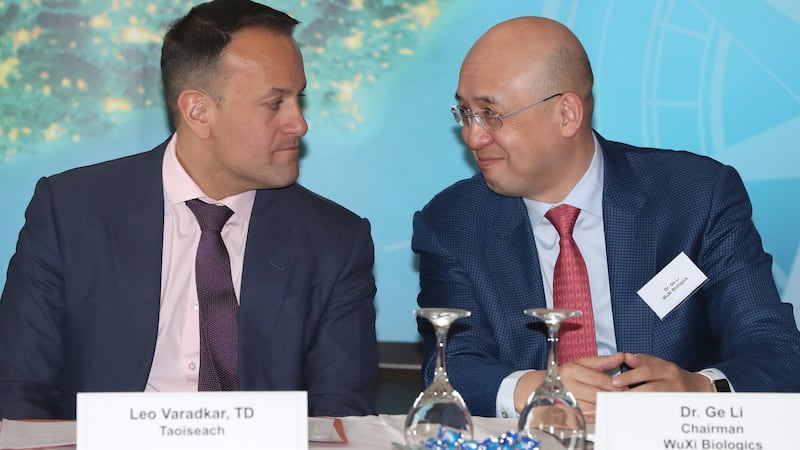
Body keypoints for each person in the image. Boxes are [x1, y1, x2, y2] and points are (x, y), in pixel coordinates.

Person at [0, 0, 378, 419]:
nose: (299, 123)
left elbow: (339, 413)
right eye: (275, 103)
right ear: (198, 111)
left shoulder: (335, 241)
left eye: (298, 99)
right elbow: (19, 389)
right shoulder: (71, 211)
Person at [412, 16, 800, 421]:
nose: (473, 137)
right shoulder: (453, 223)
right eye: (465, 112)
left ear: (566, 114)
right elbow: (451, 364)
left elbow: (775, 349)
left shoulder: (696, 197)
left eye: (491, 114)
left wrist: (698, 389)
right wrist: (539, 390)